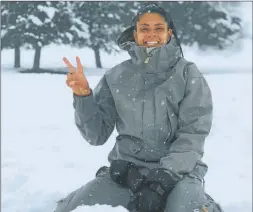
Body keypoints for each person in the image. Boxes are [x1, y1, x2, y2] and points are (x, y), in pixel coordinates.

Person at [55, 4, 223, 212]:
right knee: (73, 209)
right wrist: (83, 95)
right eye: (144, 29)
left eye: (158, 28)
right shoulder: (115, 77)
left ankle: (204, 204)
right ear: (135, 34)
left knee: (179, 208)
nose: (151, 34)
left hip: (179, 172)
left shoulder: (188, 75)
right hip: (128, 171)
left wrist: (162, 179)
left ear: (169, 33)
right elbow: (96, 135)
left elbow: (192, 135)